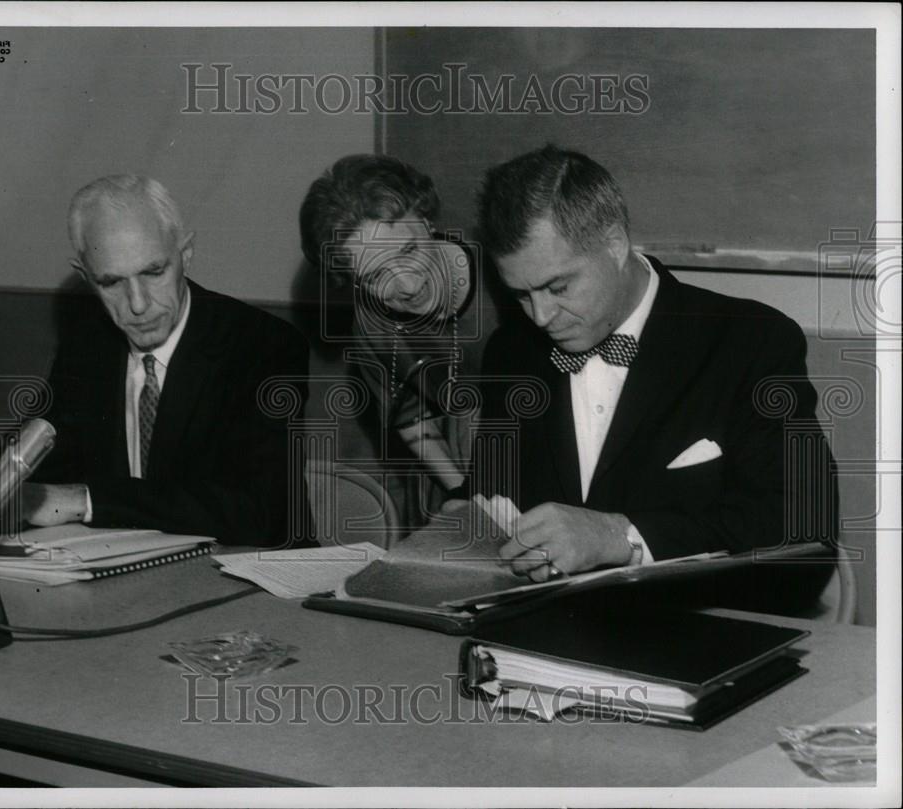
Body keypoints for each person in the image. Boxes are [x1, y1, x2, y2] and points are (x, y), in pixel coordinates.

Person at [468, 145, 837, 605]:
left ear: (615, 243)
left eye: (557, 287)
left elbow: (805, 531)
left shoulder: (752, 343)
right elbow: (491, 495)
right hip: (539, 634)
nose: (541, 316)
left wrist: (618, 536)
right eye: (521, 295)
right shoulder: (511, 354)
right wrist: (464, 522)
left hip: (697, 636)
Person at [0, 175, 311, 547]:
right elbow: (29, 456)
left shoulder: (261, 345)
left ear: (186, 255)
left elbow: (263, 513)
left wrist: (85, 500)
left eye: (154, 272)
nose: (138, 304)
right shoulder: (89, 344)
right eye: (111, 282)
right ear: (87, 278)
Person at [299, 155, 479, 527]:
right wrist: (463, 491)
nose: (409, 286)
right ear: (351, 281)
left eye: (410, 250)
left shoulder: (503, 271)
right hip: (459, 474)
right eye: (377, 275)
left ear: (427, 217)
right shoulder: (372, 329)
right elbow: (412, 418)